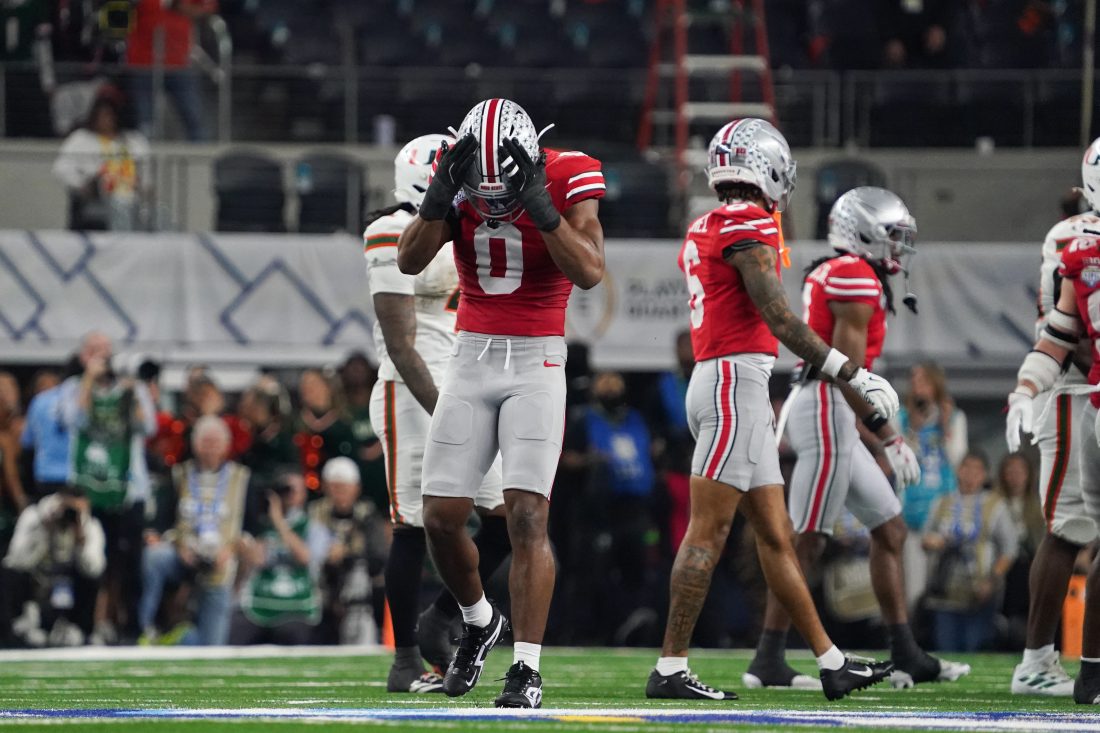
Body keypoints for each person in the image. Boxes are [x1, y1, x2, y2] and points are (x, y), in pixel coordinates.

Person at [646, 118, 897, 702]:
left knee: (777, 537)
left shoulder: (709, 221)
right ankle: (670, 667)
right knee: (709, 531)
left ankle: (831, 662)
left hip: (732, 384)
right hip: (734, 383)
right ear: (769, 167)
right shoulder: (747, 220)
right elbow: (781, 319)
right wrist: (852, 372)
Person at [397, 98, 607, 707]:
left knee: (526, 515)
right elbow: (411, 261)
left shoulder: (568, 173)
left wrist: (542, 207)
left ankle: (527, 668)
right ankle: (481, 619)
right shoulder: (455, 167)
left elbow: (591, 270)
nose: (489, 200)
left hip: (537, 357)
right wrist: (438, 197)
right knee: (438, 517)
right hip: (471, 355)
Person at [744, 187, 969, 691]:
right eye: (893, 237)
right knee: (806, 542)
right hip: (825, 407)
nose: (898, 249)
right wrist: (888, 435)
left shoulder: (849, 271)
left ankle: (906, 651)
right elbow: (846, 374)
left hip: (833, 411)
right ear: (863, 232)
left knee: (889, 531)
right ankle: (768, 658)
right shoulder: (851, 275)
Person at [367, 133, 511, 693]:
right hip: (411, 389)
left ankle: (443, 615)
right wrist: (448, 408)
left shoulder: (466, 224)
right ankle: (404, 658)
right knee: (410, 525)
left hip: (464, 384)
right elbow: (402, 344)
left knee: (503, 516)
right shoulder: (389, 228)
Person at [1006, 145, 1100, 697]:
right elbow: (1067, 332)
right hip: (1074, 390)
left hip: (1079, 386)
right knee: (1067, 528)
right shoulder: (1077, 240)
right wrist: (1029, 386)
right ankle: (1039, 659)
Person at [62, 331, 155, 644]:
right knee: (87, 560)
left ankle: (130, 628)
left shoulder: (133, 389)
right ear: (84, 357)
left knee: (128, 563)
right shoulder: (73, 389)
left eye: (106, 352)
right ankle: (83, 626)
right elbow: (72, 420)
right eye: (95, 352)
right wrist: (89, 381)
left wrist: (131, 391)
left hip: (129, 488)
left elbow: (148, 426)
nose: (102, 358)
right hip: (89, 490)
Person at [139, 416, 249, 646]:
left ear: (226, 446)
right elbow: (164, 522)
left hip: (223, 564)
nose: (210, 449)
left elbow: (252, 528)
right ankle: (145, 625)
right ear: (195, 444)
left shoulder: (242, 478)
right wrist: (179, 545)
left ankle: (182, 638)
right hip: (184, 555)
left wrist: (230, 550)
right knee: (154, 557)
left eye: (215, 443)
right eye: (205, 442)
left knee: (211, 647)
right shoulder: (179, 474)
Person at [922, 453, 1018, 652]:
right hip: (945, 592)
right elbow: (925, 538)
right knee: (945, 648)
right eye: (966, 467)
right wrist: (934, 542)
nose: (971, 474)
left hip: (979, 591)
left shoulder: (995, 505)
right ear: (958, 471)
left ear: (984, 475)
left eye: (977, 470)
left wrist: (992, 581)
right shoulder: (942, 503)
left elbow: (1010, 548)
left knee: (976, 648)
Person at [896, 361, 968, 607]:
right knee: (913, 585)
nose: (918, 387)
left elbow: (959, 461)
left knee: (940, 581)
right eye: (914, 381)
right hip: (910, 511)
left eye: (924, 381)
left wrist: (945, 426)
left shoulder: (954, 416)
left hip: (942, 509)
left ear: (936, 384)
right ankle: (914, 634)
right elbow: (897, 459)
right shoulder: (901, 417)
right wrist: (913, 428)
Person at [231, 471, 330, 645]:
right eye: (284, 490)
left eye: (294, 490)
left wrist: (278, 521)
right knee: (236, 632)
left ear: (304, 494)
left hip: (297, 607)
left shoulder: (314, 527)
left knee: (292, 634)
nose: (289, 495)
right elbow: (256, 561)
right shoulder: (262, 525)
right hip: (259, 605)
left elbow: (305, 557)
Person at [1, 486, 105, 647]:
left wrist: (81, 540)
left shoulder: (89, 525)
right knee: (7, 574)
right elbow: (14, 561)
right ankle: (11, 631)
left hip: (69, 583)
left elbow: (95, 569)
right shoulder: (34, 516)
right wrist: (43, 529)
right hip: (35, 582)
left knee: (93, 579)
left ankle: (81, 629)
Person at [310, 457, 389, 645]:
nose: (340, 493)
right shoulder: (315, 513)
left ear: (356, 488)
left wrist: (346, 554)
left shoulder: (367, 516)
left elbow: (378, 557)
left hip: (358, 598)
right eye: (335, 487)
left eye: (344, 487)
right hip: (321, 591)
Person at [52, 92, 150, 231]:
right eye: (102, 115)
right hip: (98, 198)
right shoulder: (81, 139)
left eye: (110, 115)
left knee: (160, 216)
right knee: (118, 206)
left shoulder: (133, 141)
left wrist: (142, 185)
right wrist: (82, 186)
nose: (106, 120)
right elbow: (61, 169)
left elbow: (146, 176)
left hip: (132, 199)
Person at [124, 0, 216, 141]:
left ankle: (201, 153)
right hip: (143, 64)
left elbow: (208, 7)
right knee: (145, 119)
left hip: (179, 64)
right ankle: (143, 153)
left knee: (194, 115)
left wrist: (180, 5)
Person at [21, 369, 72, 501]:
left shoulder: (38, 402)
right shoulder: (75, 399)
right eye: (41, 386)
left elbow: (27, 442)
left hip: (47, 473)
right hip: (72, 474)